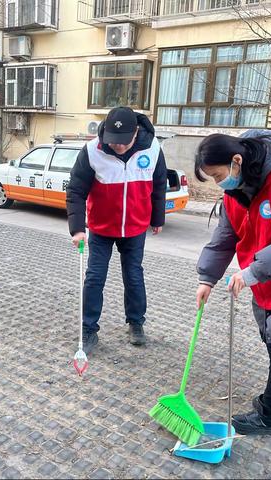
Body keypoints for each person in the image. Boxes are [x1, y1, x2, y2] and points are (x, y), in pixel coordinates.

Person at [195, 130, 271, 436]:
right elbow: (225, 239)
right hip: (264, 281)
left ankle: (270, 416)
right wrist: (208, 278)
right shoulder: (235, 193)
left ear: (237, 160)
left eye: (219, 175)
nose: (219, 183)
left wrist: (251, 272)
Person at [66, 107, 167, 354]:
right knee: (94, 278)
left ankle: (136, 323)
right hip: (101, 228)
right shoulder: (92, 151)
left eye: (123, 142)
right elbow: (76, 190)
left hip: (134, 227)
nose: (118, 147)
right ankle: (88, 329)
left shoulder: (152, 148)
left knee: (134, 276)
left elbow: (159, 184)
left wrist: (157, 217)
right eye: (113, 142)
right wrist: (77, 229)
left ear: (136, 132)